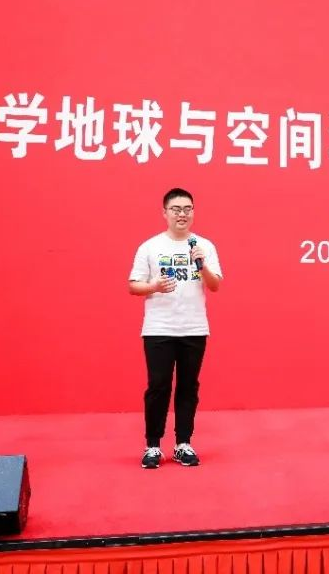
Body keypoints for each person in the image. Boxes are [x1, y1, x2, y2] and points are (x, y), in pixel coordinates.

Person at [129, 188, 222, 468]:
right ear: (165, 213)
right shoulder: (150, 247)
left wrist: (202, 266)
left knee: (188, 387)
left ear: (193, 212)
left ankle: (183, 443)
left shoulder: (204, 246)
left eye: (187, 209)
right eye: (176, 209)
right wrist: (154, 286)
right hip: (159, 328)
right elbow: (133, 286)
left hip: (194, 327)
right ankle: (153, 446)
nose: (182, 214)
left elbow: (215, 285)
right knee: (158, 386)